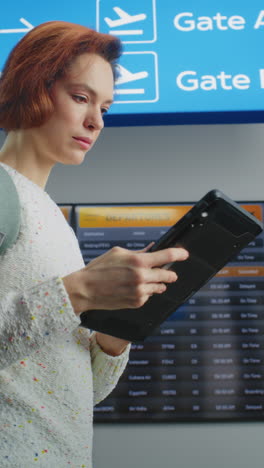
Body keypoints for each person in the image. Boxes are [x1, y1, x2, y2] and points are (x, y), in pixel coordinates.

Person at [0, 21, 189, 467]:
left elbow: (82, 390)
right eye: (81, 98)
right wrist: (78, 291)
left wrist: (114, 333)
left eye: (105, 106)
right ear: (32, 88)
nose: (97, 121)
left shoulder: (56, 221)